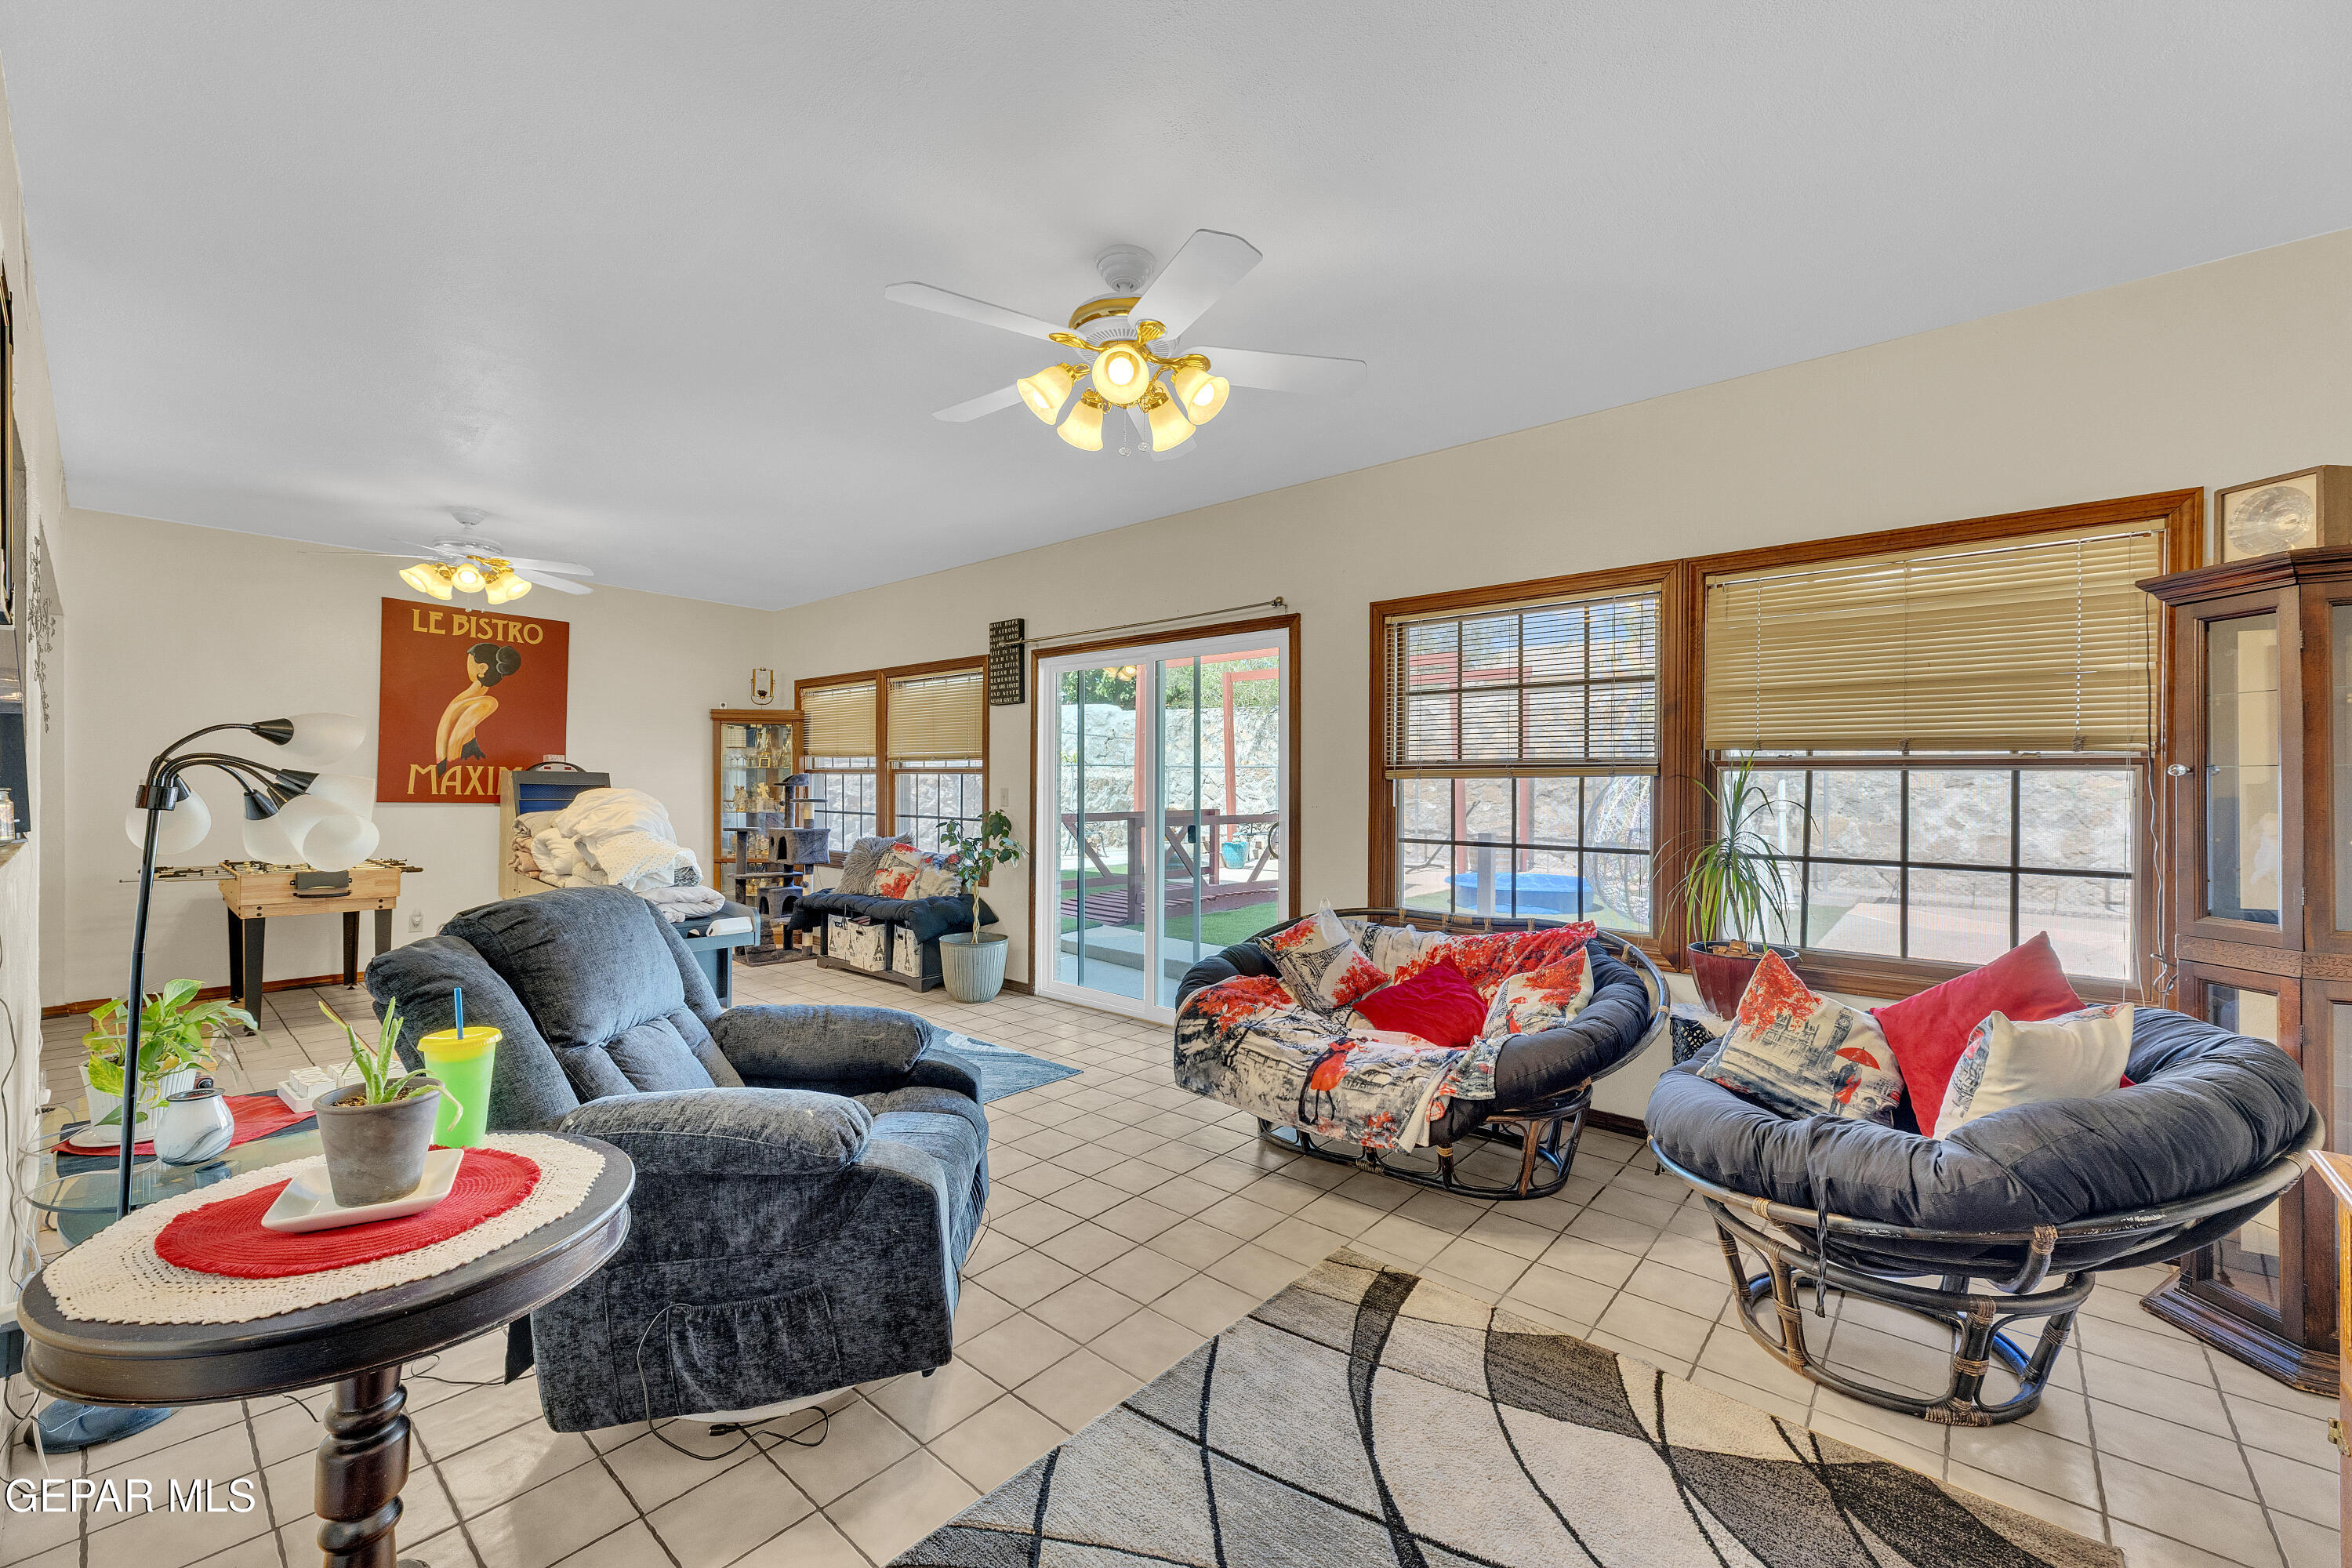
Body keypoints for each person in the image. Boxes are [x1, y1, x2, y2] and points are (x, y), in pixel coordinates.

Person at [436, 641, 521, 775]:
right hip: (453, 768)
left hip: (456, 768)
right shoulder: (473, 700)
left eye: (469, 662)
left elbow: (455, 742)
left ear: (482, 668)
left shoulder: (485, 703)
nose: (466, 666)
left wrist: (449, 772)